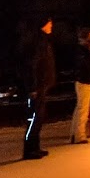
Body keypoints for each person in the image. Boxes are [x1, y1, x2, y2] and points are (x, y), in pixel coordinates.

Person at [23, 16, 56, 159]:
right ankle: (29, 149)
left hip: (42, 85)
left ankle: (35, 147)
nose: (51, 26)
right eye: (49, 23)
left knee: (39, 117)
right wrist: (33, 87)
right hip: (38, 87)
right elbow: (33, 65)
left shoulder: (43, 40)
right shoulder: (38, 42)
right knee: (34, 117)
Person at [70, 27, 90, 143]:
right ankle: (79, 135)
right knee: (83, 109)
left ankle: (74, 133)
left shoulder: (85, 50)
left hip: (86, 80)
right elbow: (86, 65)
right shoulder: (83, 50)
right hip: (84, 81)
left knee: (80, 108)